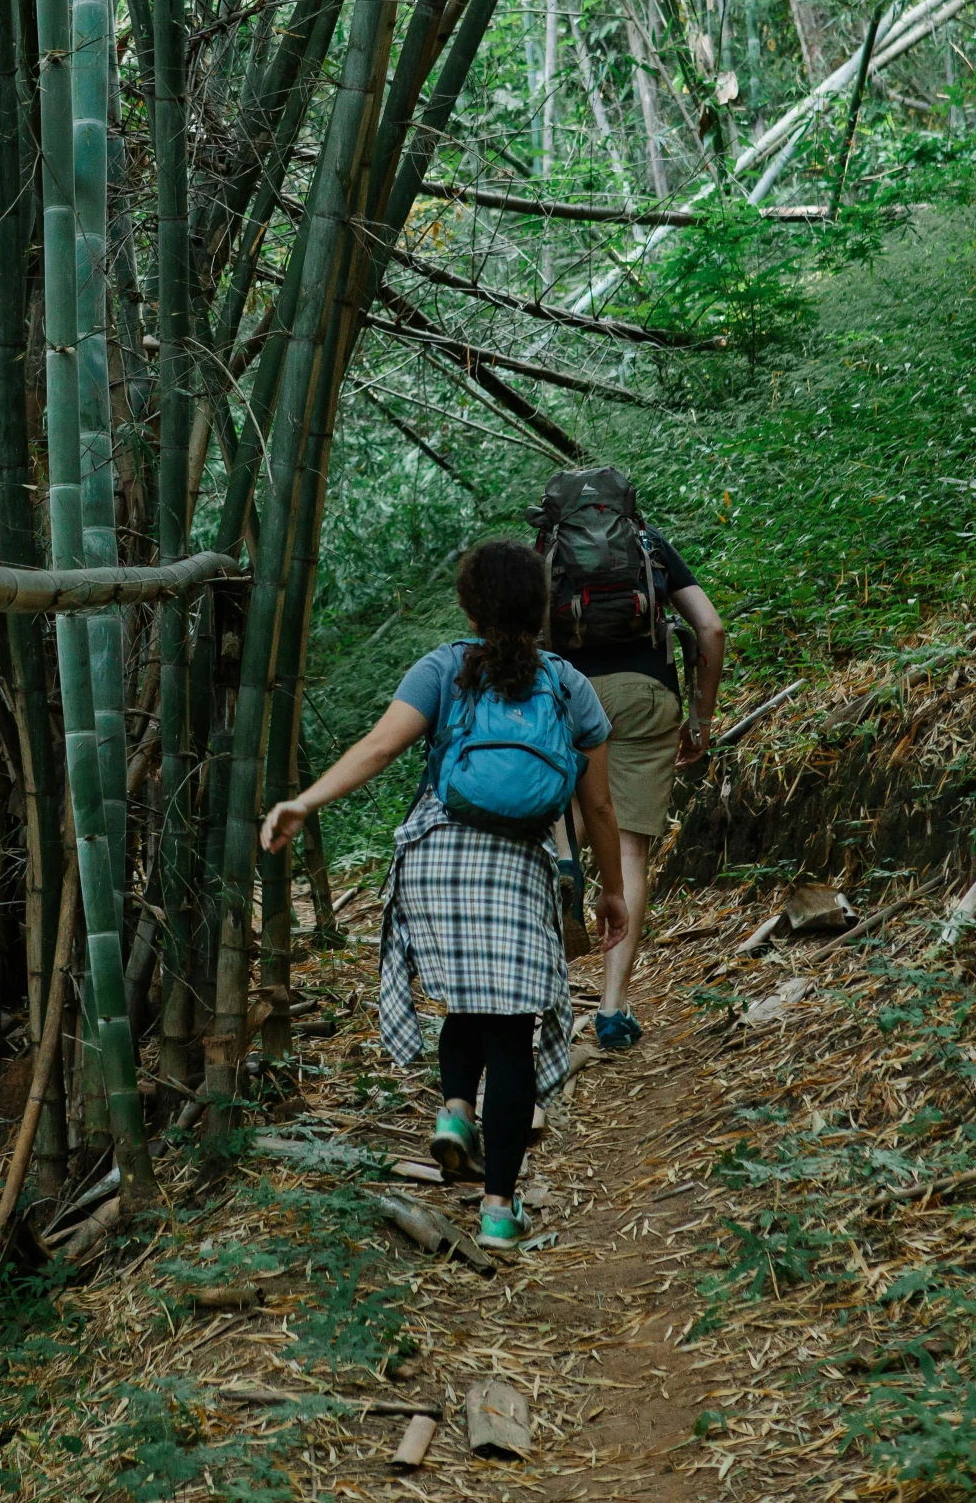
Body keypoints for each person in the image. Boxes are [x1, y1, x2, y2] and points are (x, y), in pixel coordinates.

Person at [261, 540, 627, 1253]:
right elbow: (602, 808)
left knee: (466, 1002)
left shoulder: (442, 669)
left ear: (468, 605)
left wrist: (304, 802)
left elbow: (377, 747)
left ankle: (455, 1111)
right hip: (517, 865)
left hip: (436, 855)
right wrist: (610, 891)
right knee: (510, 1034)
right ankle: (497, 1211)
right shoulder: (567, 684)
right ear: (540, 606)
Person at [535, 470, 725, 1053]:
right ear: (627, 506)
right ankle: (614, 1010)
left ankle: (566, 871)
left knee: (561, 822)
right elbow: (711, 628)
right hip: (646, 699)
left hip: (567, 696)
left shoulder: (542, 556)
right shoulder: (650, 546)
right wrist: (701, 715)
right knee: (630, 848)